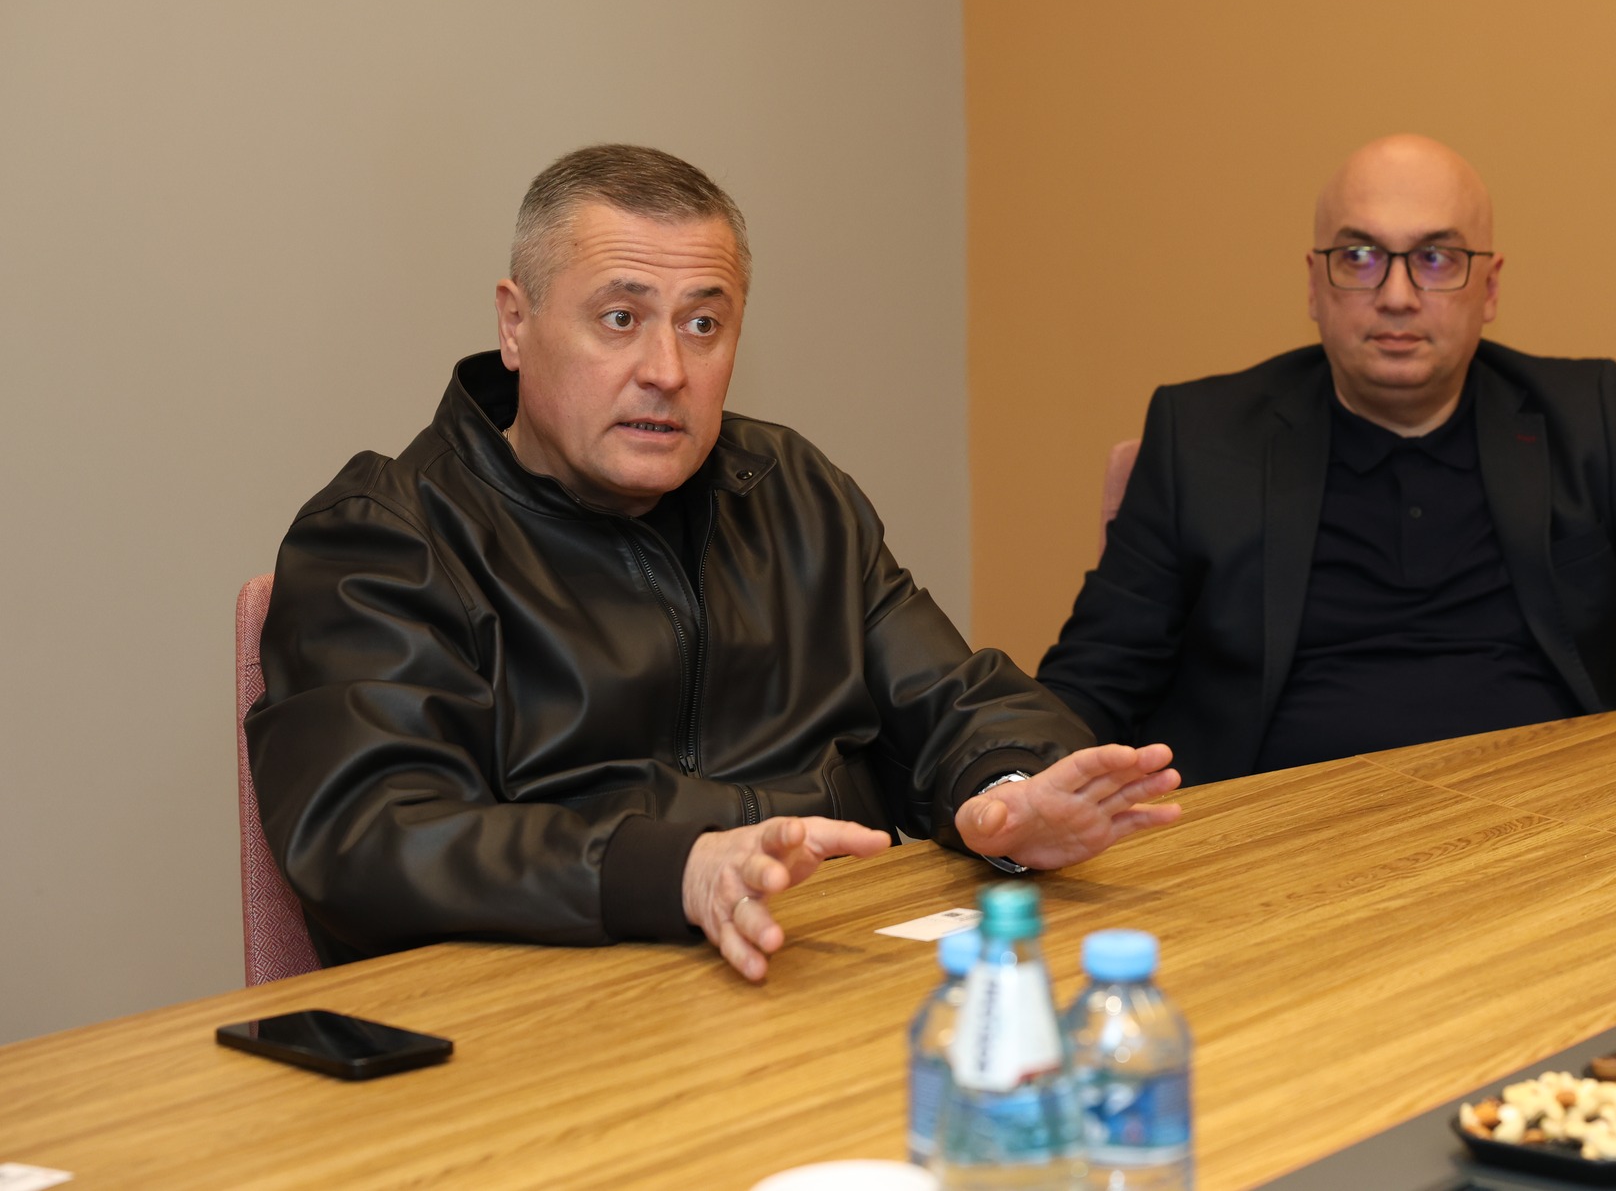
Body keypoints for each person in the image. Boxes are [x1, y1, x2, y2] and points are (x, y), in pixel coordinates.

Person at [248, 144, 1181, 982]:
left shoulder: (789, 489)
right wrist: (676, 871)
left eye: (703, 325)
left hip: (826, 972)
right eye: (620, 318)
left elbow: (953, 697)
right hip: (552, 1014)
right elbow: (373, 834)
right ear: (515, 323)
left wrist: (1006, 795)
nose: (667, 369)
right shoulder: (385, 534)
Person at [1037, 134, 1616, 780]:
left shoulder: (1585, 416)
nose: (1396, 295)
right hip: (1277, 842)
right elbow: (1090, 682)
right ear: (1314, 285)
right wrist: (1014, 783)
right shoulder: (1201, 433)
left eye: (1436, 258)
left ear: (1488, 288)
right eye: (1360, 257)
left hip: (1554, 824)